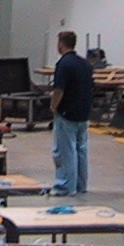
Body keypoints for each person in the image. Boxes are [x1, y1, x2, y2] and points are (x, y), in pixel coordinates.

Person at [50, 29, 94, 196]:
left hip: (67, 113)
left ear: (61, 44)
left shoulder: (63, 64)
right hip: (83, 113)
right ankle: (81, 184)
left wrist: (53, 107)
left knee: (65, 151)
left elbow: (59, 90)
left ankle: (66, 186)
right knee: (81, 150)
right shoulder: (85, 64)